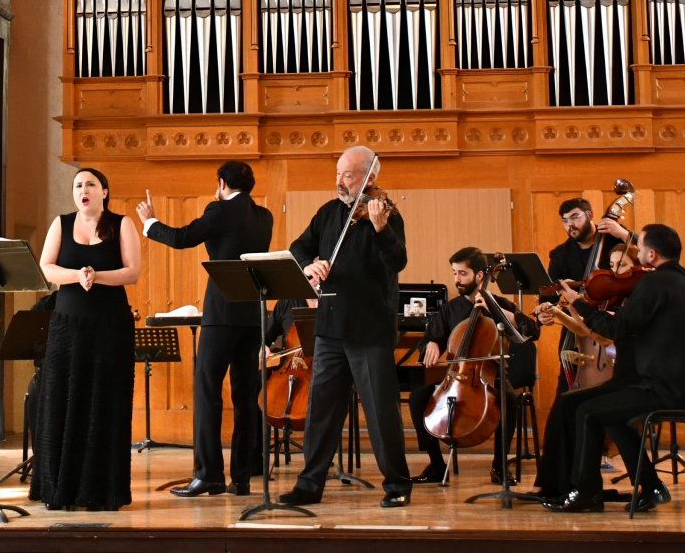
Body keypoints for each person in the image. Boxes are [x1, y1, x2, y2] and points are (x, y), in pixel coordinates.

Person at [538, 223, 685, 513]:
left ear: (651, 255)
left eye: (639, 247)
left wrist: (580, 302)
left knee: (588, 411)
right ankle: (648, 486)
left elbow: (617, 328)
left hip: (664, 388)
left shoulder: (655, 284)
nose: (638, 252)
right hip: (667, 382)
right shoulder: (678, 281)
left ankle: (587, 494)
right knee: (575, 402)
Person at [278, 145, 413, 509]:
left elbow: (397, 260)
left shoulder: (385, 215)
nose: (340, 181)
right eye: (338, 173)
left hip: (369, 328)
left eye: (348, 175)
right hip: (330, 327)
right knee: (321, 411)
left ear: (370, 178)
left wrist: (382, 230)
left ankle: (398, 484)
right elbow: (297, 247)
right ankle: (309, 485)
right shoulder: (327, 213)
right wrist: (310, 265)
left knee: (381, 411)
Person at [136, 160, 274, 497]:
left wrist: (150, 222)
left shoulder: (219, 210)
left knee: (207, 391)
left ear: (223, 183)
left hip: (222, 312)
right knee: (245, 398)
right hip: (252, 316)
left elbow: (183, 238)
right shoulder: (264, 216)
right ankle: (241, 477)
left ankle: (208, 474)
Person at [30, 166, 141, 511]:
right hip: (66, 324)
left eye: (90, 184)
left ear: (104, 191)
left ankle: (101, 490)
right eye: (78, 185)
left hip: (109, 325)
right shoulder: (60, 224)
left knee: (103, 403)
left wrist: (98, 276)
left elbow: (132, 272)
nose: (83, 189)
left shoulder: (122, 223)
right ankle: (59, 487)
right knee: (62, 400)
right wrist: (78, 276)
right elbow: (46, 267)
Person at [408, 247, 540, 485]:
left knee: (508, 399)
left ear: (480, 276)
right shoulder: (451, 308)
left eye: (462, 274)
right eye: (454, 273)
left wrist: (497, 312)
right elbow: (429, 339)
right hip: (456, 379)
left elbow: (533, 330)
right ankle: (437, 466)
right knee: (418, 398)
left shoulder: (500, 304)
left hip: (492, 377)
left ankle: (499, 466)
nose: (456, 279)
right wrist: (431, 344)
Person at [545, 196, 632, 393]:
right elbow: (548, 297)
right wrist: (545, 312)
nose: (570, 225)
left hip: (609, 325)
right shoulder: (560, 255)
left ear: (590, 215)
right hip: (574, 329)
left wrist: (623, 233)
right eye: (565, 221)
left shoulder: (614, 239)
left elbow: (643, 253)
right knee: (566, 389)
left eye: (575, 217)